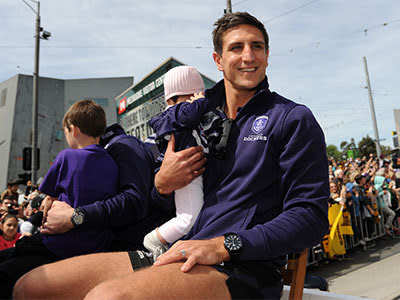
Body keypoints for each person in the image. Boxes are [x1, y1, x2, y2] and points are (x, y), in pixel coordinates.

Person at [14, 12, 329, 300]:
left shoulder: (291, 119)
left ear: (267, 54)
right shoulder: (192, 118)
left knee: (107, 298)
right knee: (32, 286)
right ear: (218, 60)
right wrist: (162, 187)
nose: (248, 56)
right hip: (177, 249)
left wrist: (225, 245)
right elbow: (164, 207)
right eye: (236, 48)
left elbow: (310, 217)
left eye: (257, 46)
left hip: (243, 266)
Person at [0, 99, 120, 298]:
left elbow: (46, 198)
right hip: (97, 246)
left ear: (73, 130)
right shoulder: (112, 162)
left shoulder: (66, 157)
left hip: (61, 245)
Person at [143, 65, 209, 260]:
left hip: (194, 173)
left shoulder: (191, 119)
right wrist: (203, 101)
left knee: (193, 219)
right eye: (189, 98)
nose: (195, 102)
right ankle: (155, 240)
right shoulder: (172, 116)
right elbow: (189, 112)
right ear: (170, 100)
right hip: (186, 176)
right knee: (189, 219)